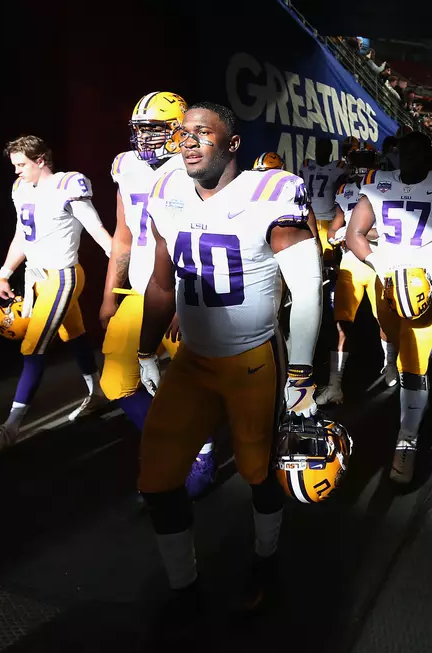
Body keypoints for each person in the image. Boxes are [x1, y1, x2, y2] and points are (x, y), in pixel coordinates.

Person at [136, 102, 322, 610]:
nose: (189, 141)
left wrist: (302, 372)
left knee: (260, 472)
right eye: (183, 133)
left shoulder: (270, 192)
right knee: (157, 477)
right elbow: (159, 282)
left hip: (252, 360)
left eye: (203, 132)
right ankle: (183, 589)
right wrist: (146, 349)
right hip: (193, 361)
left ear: (232, 143)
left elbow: (307, 288)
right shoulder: (167, 191)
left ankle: (267, 559)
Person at [99, 92, 220, 497]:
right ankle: (173, 446)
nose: (146, 139)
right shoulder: (125, 166)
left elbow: (206, 237)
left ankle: (201, 450)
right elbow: (123, 235)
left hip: (184, 289)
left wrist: (189, 298)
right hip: (139, 289)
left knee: (189, 383)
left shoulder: (194, 167)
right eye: (141, 130)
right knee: (117, 381)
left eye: (155, 129)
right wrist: (108, 294)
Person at [345, 132, 432, 484]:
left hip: (427, 289)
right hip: (387, 283)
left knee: (414, 366)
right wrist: (378, 263)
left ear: (430, 157)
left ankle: (406, 442)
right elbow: (354, 233)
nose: (408, 158)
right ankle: (392, 359)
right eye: (404, 151)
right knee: (391, 339)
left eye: (416, 152)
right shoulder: (378, 183)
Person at [0, 136, 113, 451]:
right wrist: (4, 272)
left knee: (32, 347)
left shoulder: (68, 186)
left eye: (22, 164)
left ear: (41, 160)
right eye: (14, 165)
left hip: (62, 277)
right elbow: (21, 236)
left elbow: (98, 232)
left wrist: (125, 267)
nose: (17, 171)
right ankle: (97, 394)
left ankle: (10, 428)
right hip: (35, 278)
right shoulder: (21, 190)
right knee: (75, 334)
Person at [317, 146, 397, 405]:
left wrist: (356, 233)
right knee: (341, 323)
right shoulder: (345, 189)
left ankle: (391, 366)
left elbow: (389, 229)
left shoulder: (387, 188)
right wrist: (334, 235)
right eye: (357, 160)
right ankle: (335, 385)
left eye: (365, 161)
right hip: (351, 262)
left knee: (385, 320)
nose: (361, 166)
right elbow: (336, 222)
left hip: (378, 259)